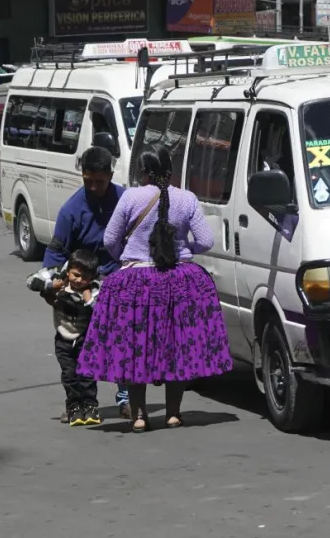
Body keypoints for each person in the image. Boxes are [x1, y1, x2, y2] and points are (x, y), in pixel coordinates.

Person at [76, 143, 233, 433]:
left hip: (136, 282)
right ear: (169, 171)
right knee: (177, 346)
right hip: (180, 280)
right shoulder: (187, 199)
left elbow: (110, 240)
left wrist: (127, 257)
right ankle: (173, 414)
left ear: (143, 171)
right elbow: (206, 240)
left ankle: (139, 416)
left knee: (137, 349)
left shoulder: (130, 197)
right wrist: (184, 250)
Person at [44, 146, 131, 418]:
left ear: (110, 174)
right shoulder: (71, 210)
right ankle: (80, 403)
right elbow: (55, 252)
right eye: (87, 180)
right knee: (78, 350)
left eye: (99, 181)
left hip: (118, 280)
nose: (93, 187)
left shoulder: (125, 200)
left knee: (122, 344)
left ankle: (126, 397)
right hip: (85, 287)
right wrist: (50, 285)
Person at [27, 249, 102, 426]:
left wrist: (89, 300)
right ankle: (74, 407)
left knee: (87, 375)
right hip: (63, 338)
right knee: (69, 375)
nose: (79, 280)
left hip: (86, 338)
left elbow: (102, 313)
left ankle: (90, 406)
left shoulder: (94, 290)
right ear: (68, 270)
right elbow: (30, 281)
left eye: (85, 277)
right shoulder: (58, 280)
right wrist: (50, 286)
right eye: (76, 275)